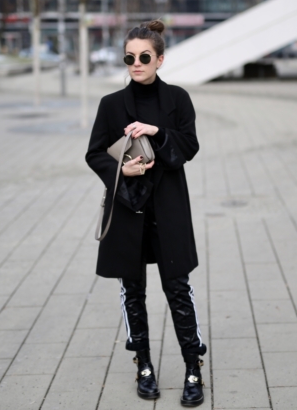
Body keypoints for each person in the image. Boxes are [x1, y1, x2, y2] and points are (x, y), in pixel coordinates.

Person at [86, 20, 206, 407]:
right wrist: (122, 170)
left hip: (168, 208)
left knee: (178, 289)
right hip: (128, 210)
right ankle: (144, 366)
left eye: (143, 57)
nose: (135, 64)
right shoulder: (110, 105)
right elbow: (94, 154)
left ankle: (192, 369)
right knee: (132, 291)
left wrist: (156, 131)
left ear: (160, 59)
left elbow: (188, 147)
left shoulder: (178, 99)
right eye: (129, 57)